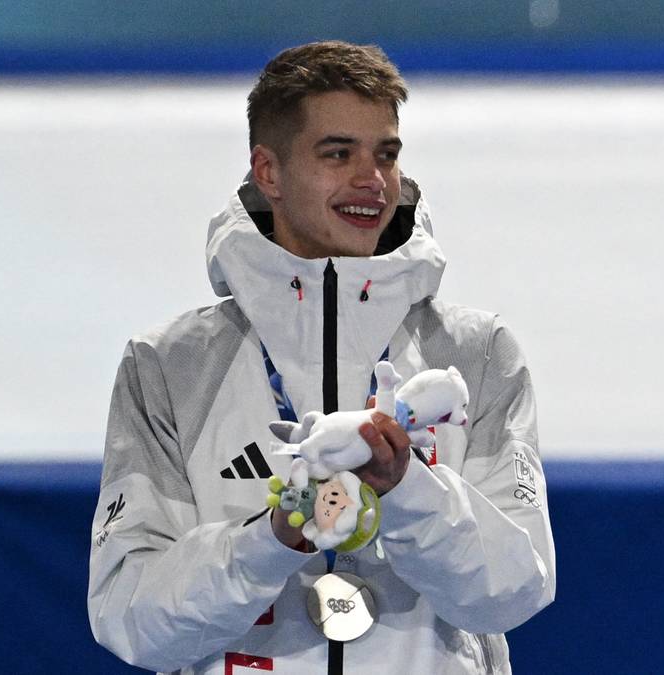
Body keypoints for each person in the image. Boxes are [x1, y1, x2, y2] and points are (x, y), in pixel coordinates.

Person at [88, 40, 555, 674]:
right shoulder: (168, 366)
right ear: (269, 171)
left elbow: (513, 591)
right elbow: (132, 618)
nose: (372, 180)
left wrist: (408, 487)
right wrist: (275, 537)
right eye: (338, 154)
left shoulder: (477, 354)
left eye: (386, 154)